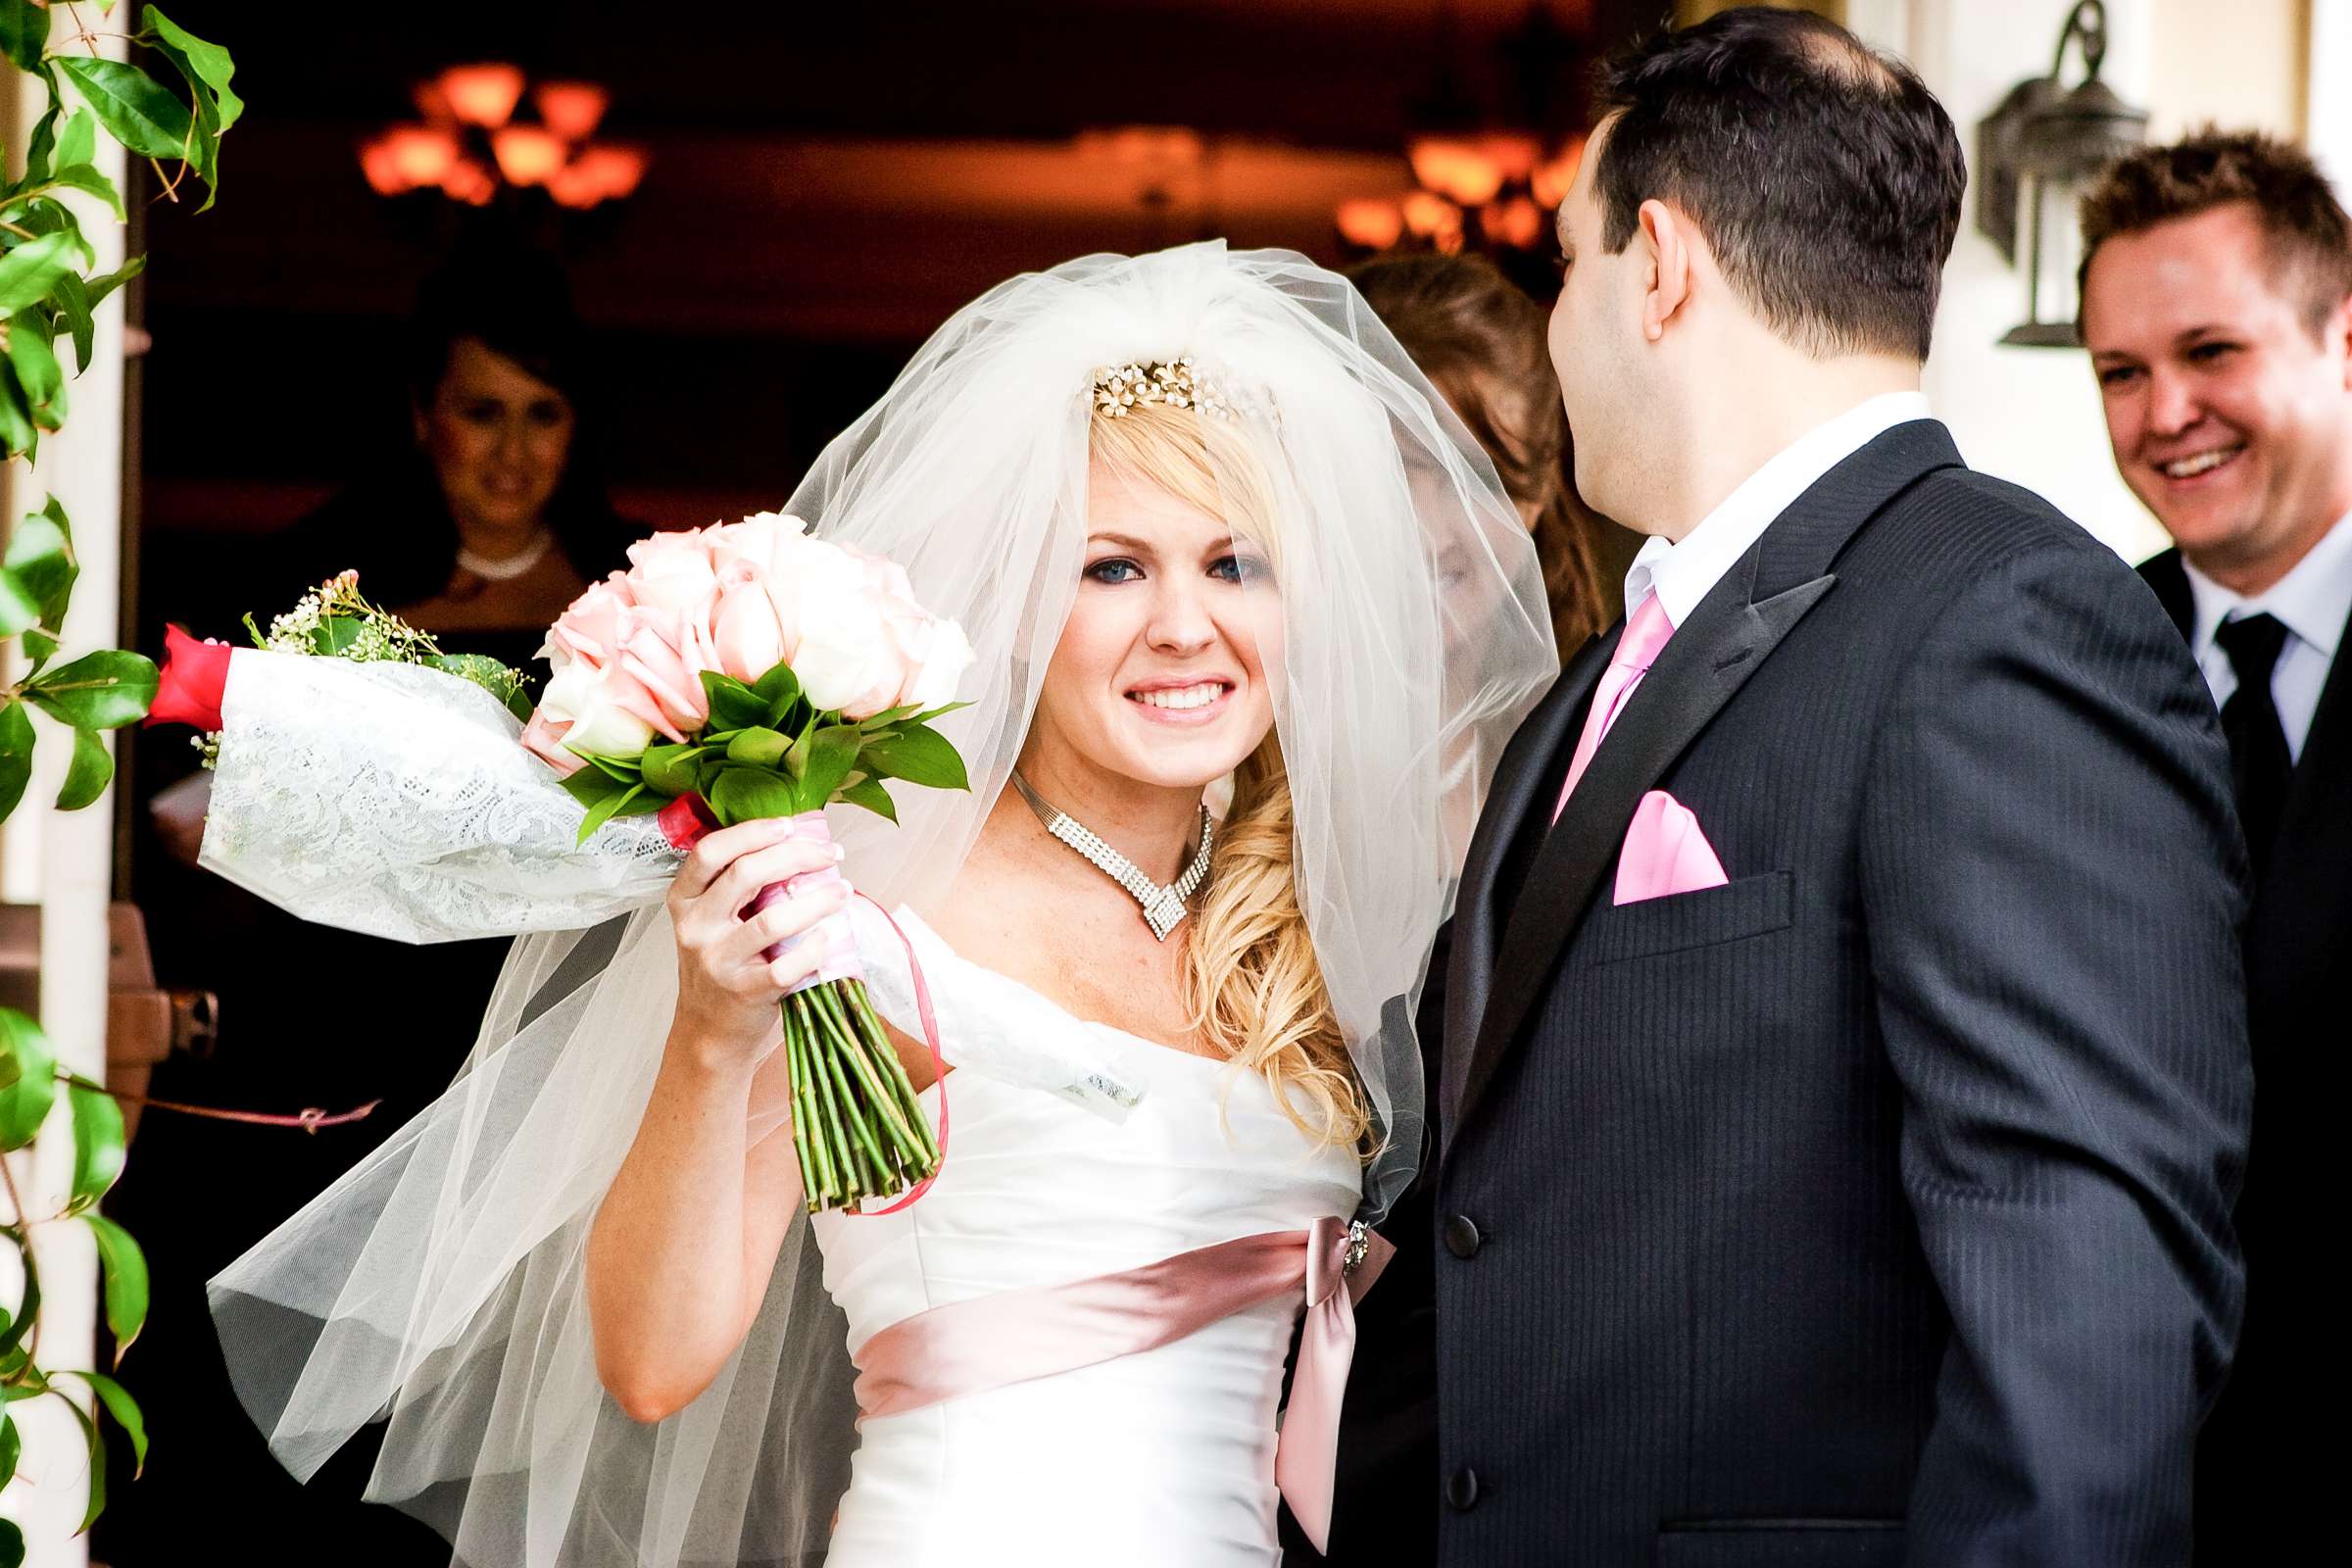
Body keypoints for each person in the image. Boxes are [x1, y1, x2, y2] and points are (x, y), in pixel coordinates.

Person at [205, 243, 1557, 1567]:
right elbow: (653, 1363)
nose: (1185, 625)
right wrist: (712, 1031)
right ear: (1024, 597)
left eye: (1233, 564)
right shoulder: (877, 916)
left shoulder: (1308, 931)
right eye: (1114, 567)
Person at [1354, 11, 2249, 1565]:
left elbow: (2084, 1298)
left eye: (1564, 270)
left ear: (1659, 263)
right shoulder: (1601, 677)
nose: (1557, 328)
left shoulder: (1999, 618)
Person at [2078, 127, 2352, 1559]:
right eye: (2121, 373)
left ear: (2344, 337)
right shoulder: (2065, 659)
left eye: (2210, 352)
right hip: (2136, 1474)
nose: (2165, 412)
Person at [1351, 251, 1616, 651]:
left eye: (1475, 478)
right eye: (1387, 474)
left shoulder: (1615, 707)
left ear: (1538, 492)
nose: (1428, 538)